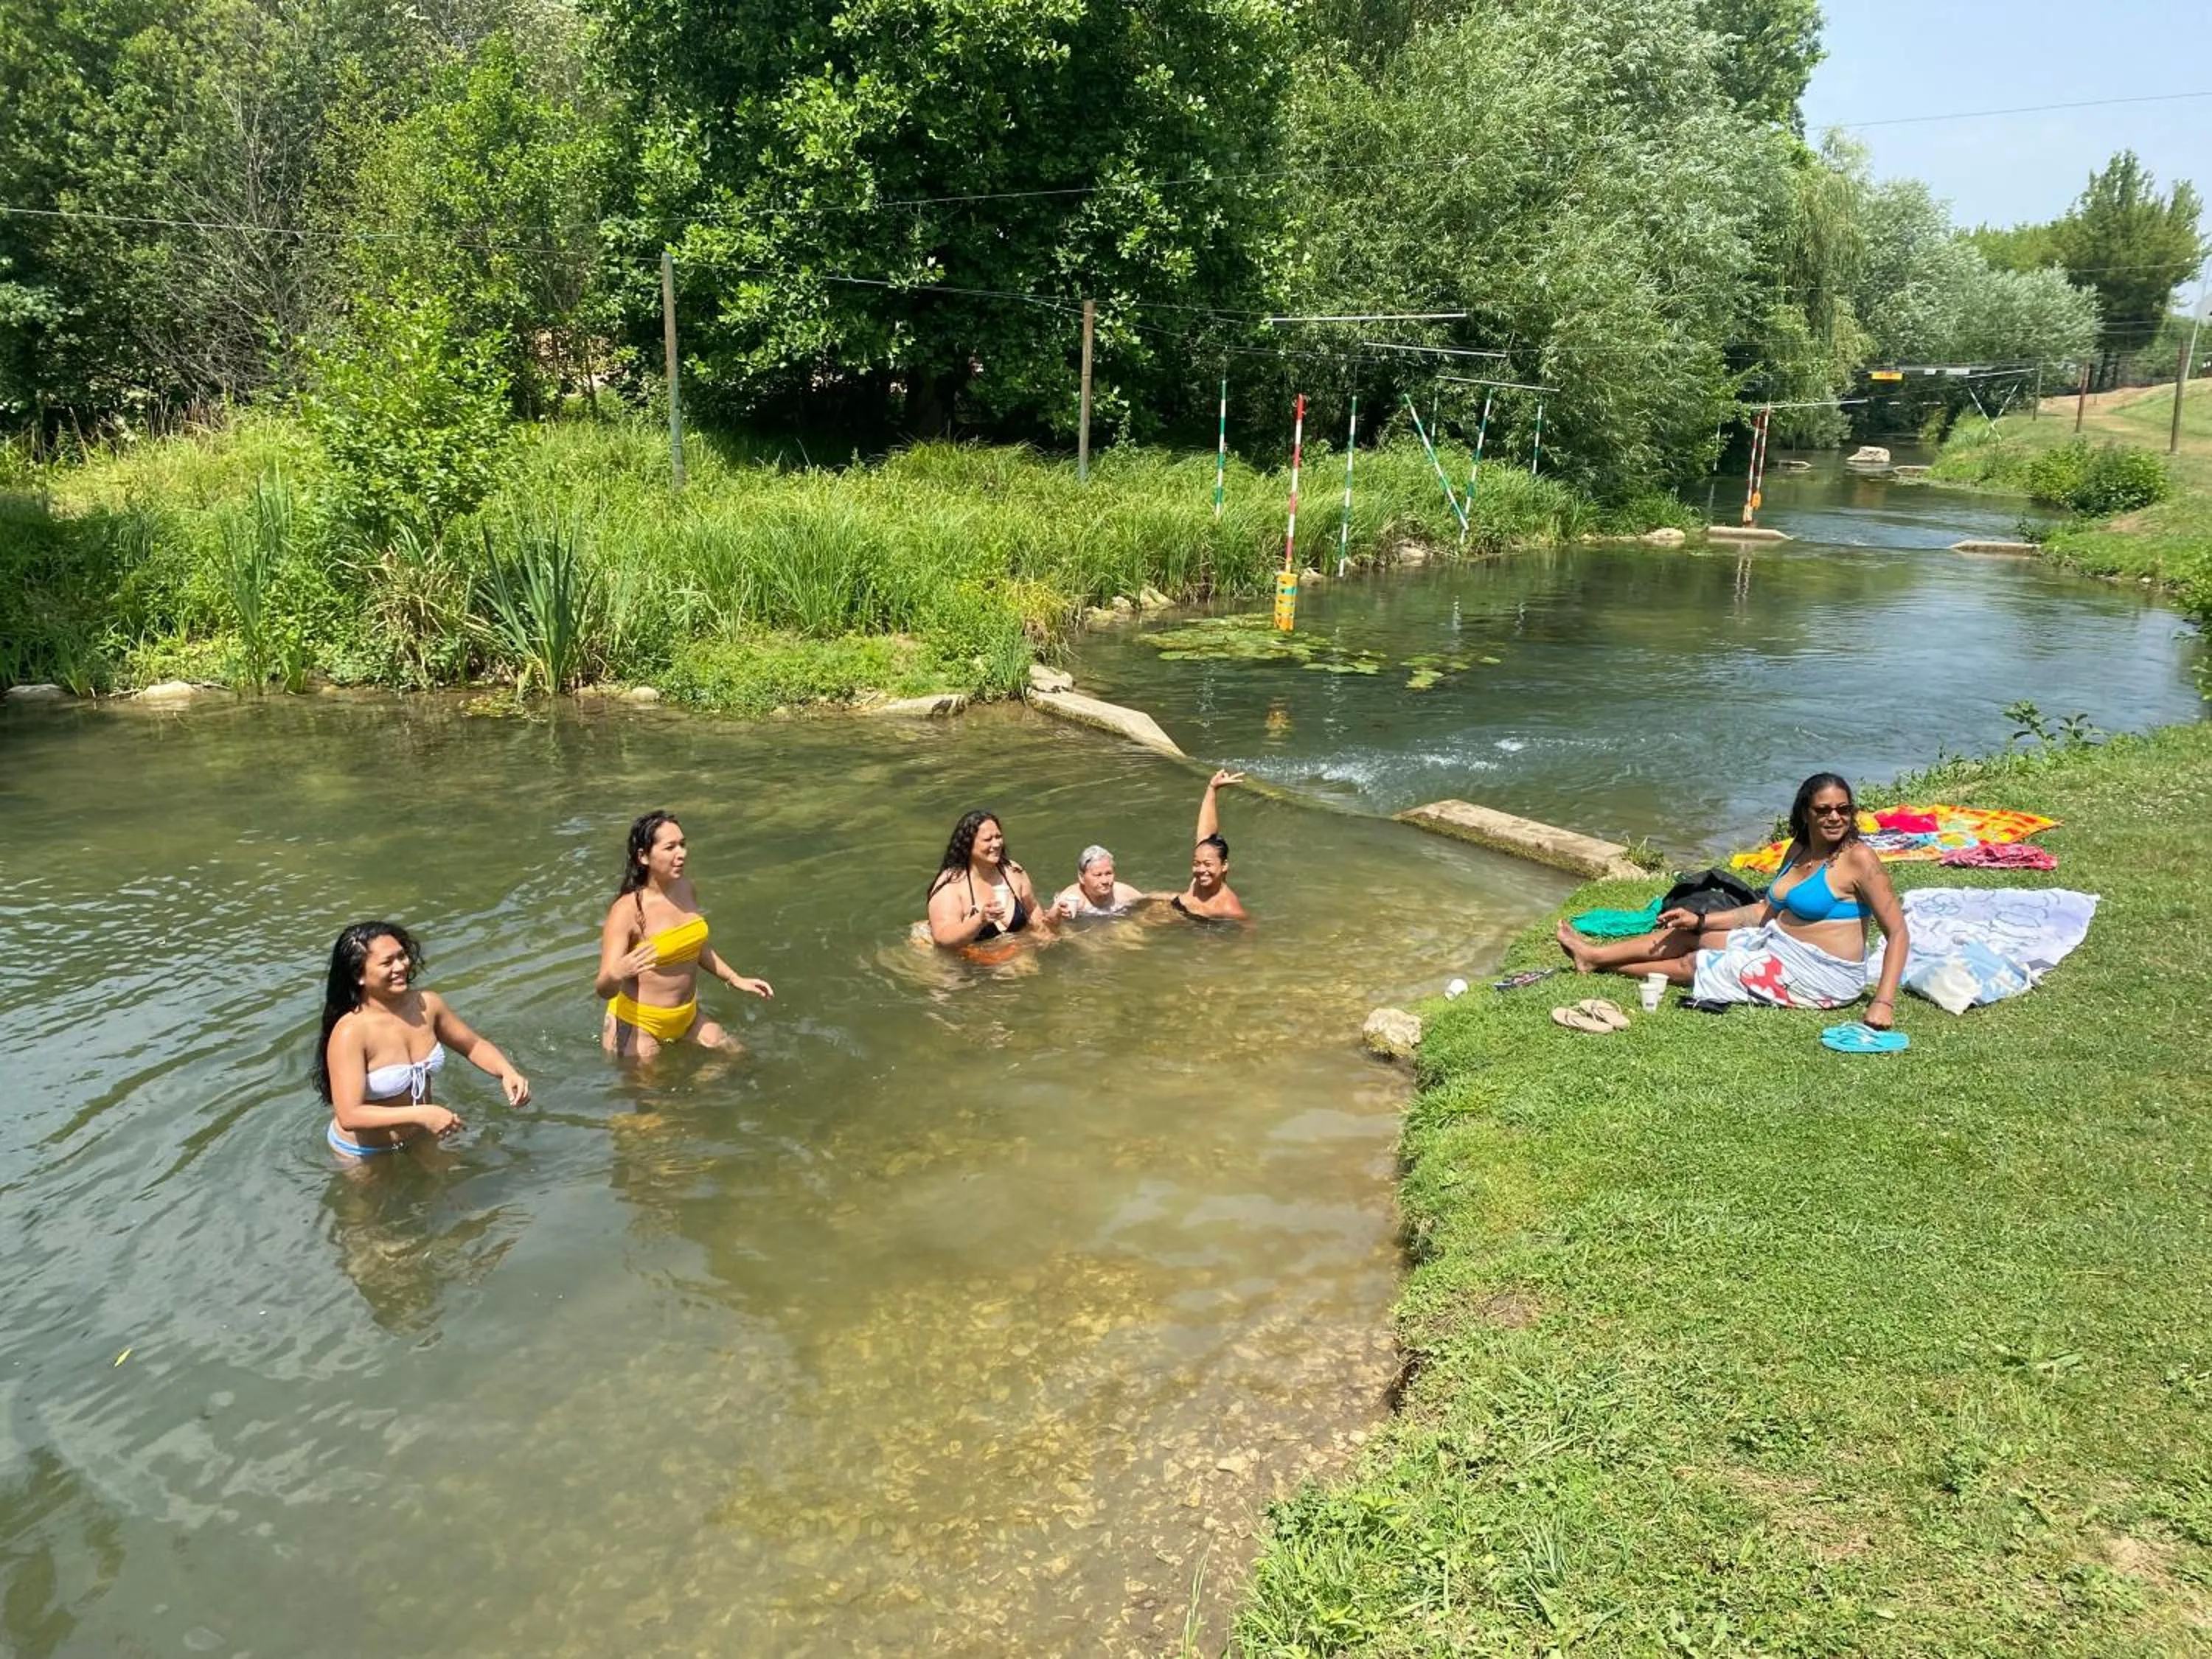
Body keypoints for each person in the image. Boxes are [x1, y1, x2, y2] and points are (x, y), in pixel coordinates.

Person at [1554, 772, 1909, 1026]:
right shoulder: (1798, 850)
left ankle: (1602, 964)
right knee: (1690, 935)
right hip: (1779, 945)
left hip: (1822, 976)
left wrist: (1882, 1002)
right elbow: (1764, 911)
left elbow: (1897, 933)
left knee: (1696, 962)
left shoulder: (1858, 859)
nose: (1835, 817)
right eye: (1824, 810)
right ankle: (1592, 956)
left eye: (1843, 809)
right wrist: (1702, 920)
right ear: (1806, 813)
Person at [314, 921, 530, 1158]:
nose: (401, 966)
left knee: (452, 1192)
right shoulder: (351, 1033)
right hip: (363, 1152)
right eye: (387, 962)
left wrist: (506, 1071)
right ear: (359, 976)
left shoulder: (427, 1006)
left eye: (402, 956)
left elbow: (473, 1045)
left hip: (424, 1133)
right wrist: (424, 1114)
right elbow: (350, 1115)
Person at [598, 811, 773, 1057]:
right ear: (644, 857)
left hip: (687, 1015)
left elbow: (695, 946)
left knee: (737, 1056)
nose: (681, 854)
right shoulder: (626, 910)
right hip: (640, 1023)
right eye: (670, 847)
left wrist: (735, 979)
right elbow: (604, 988)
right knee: (652, 1093)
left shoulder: (685, 888)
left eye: (683, 844)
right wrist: (618, 972)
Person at [926, 810, 1055, 949]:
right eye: (988, 840)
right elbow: (943, 937)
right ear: (968, 845)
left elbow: (1032, 909)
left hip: (1011, 956)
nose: (996, 844)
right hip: (968, 964)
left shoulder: (1013, 871)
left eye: (998, 837)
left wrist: (1044, 934)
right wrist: (980, 920)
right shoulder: (951, 884)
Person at [1169, 771, 1249, 921]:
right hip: (1176, 911)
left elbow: (1248, 929)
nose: (1201, 870)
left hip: (1202, 930)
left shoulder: (1229, 907)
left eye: (1208, 864)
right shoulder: (1200, 873)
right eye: (1196, 864)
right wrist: (1212, 788)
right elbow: (1205, 832)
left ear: (1224, 865)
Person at [1052, 845, 1151, 919]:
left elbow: (1150, 901)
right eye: (1098, 875)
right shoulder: (1073, 897)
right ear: (1082, 877)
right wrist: (1058, 913)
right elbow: (1048, 920)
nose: (1105, 881)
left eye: (1108, 873)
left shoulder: (1122, 892)